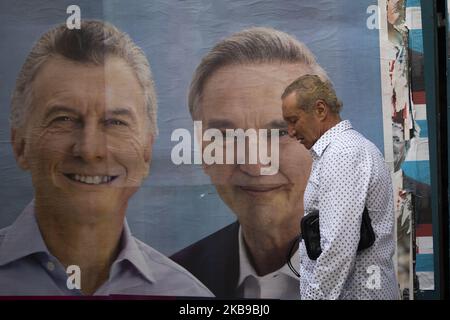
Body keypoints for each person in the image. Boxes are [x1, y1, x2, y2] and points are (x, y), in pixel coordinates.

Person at [0, 20, 212, 297]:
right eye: (63, 119)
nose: (90, 150)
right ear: (19, 145)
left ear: (147, 151)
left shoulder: (189, 296)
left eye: (115, 122)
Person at [171, 27, 329, 299]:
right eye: (225, 135)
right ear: (201, 148)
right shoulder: (173, 281)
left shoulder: (375, 264)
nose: (254, 164)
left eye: (281, 132)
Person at [281, 74, 399, 300]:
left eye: (294, 120)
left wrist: (316, 298)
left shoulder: (342, 154)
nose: (291, 131)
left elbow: (338, 246)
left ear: (320, 110)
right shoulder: (344, 149)